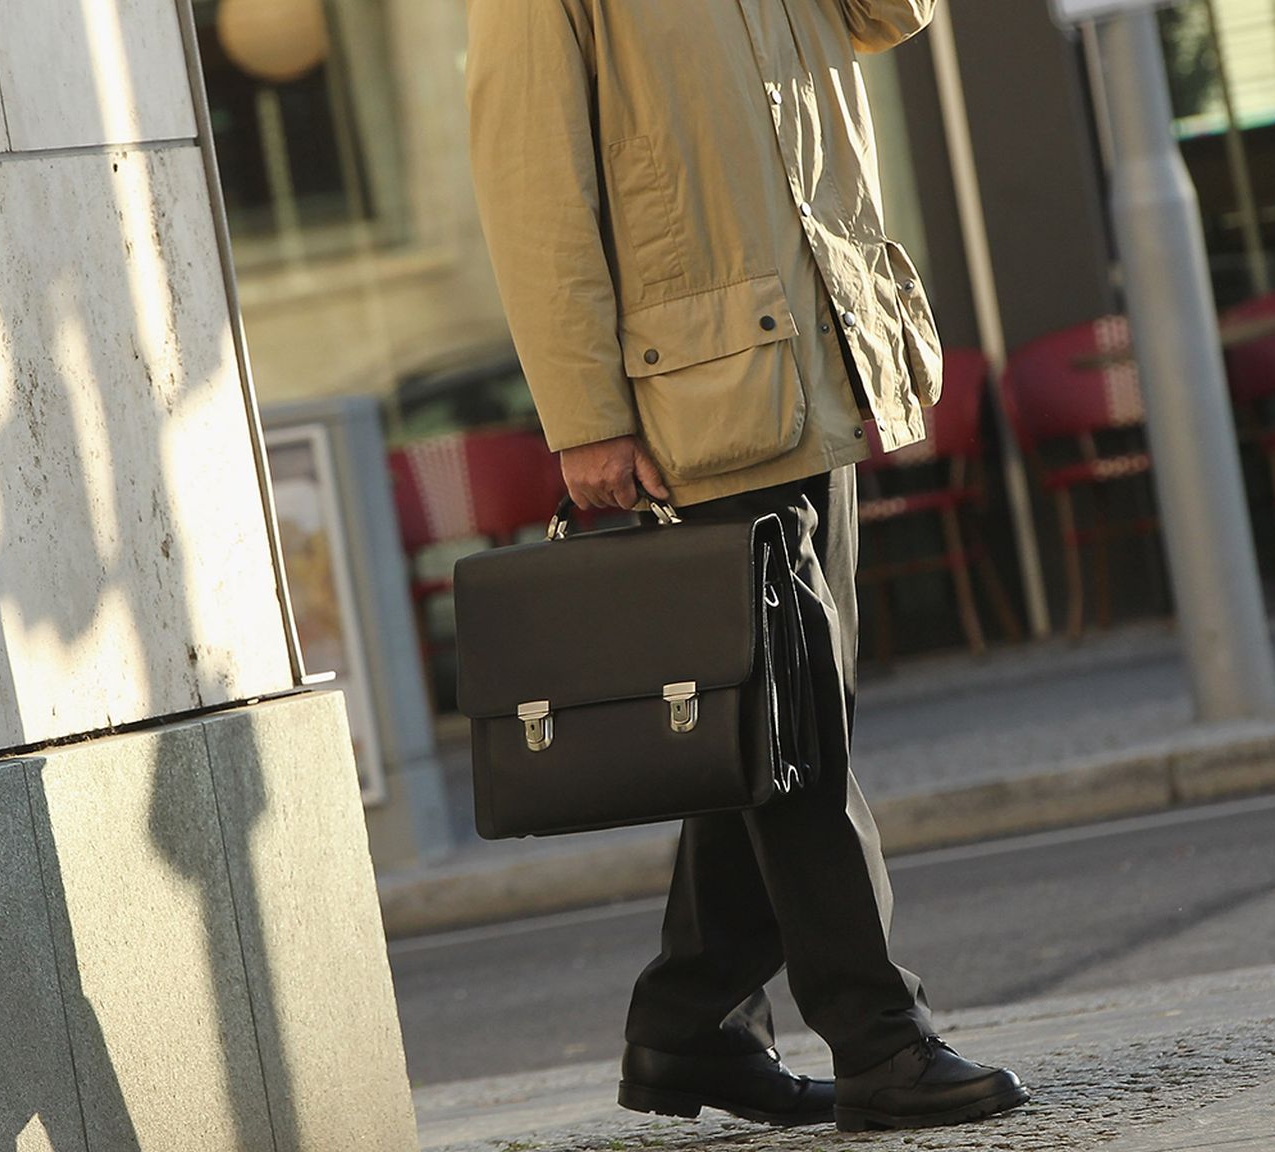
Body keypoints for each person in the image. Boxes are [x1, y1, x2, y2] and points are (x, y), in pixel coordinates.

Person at [463, 0, 1030, 1133]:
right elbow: (530, 176)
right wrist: (584, 414)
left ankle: (688, 1030)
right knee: (796, 728)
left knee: (770, 724)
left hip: (816, 360)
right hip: (701, 393)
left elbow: (890, 17)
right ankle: (880, 1039)